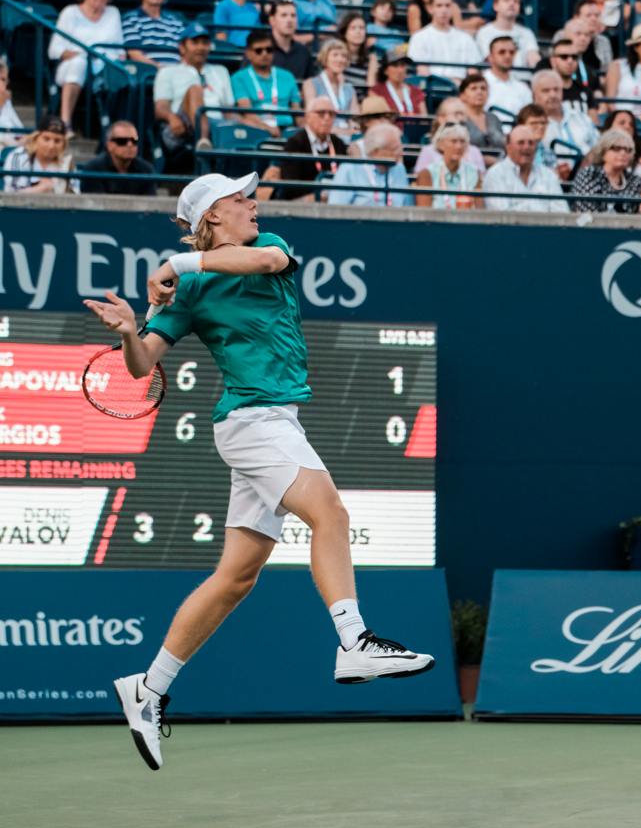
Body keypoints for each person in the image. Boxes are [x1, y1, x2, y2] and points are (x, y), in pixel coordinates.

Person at [86, 171, 434, 770]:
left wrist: (177, 264)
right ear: (212, 216)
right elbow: (143, 365)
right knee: (331, 513)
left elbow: (267, 260)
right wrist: (127, 334)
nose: (254, 204)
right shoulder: (190, 292)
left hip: (272, 422)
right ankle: (354, 642)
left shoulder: (267, 248)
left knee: (236, 578)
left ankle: (148, 687)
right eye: (240, 199)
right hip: (253, 423)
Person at [48, 0, 125, 132]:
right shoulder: (70, 12)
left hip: (105, 68)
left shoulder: (113, 13)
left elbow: (120, 48)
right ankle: (65, 122)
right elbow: (54, 50)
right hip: (71, 66)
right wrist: (85, 57)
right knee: (79, 64)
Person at [153, 22, 234, 150]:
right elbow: (160, 107)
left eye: (205, 43)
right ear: (182, 47)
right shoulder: (167, 71)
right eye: (195, 43)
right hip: (182, 123)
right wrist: (172, 117)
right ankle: (203, 141)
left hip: (218, 122)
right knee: (195, 89)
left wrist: (257, 126)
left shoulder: (221, 71)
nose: (201, 47)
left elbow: (229, 110)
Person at [257, 95, 347, 201]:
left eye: (331, 114)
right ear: (308, 116)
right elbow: (290, 184)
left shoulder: (339, 144)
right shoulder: (295, 143)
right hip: (303, 201)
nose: (327, 118)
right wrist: (318, 193)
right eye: (321, 113)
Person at [483, 124, 568, 213]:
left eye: (531, 143)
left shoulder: (549, 175)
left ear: (535, 149)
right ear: (509, 148)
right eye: (521, 142)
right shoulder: (495, 175)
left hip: (546, 226)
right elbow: (501, 214)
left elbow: (561, 212)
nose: (527, 147)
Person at [232, 29, 300, 136]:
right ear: (248, 54)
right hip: (256, 129)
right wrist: (266, 128)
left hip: (287, 129)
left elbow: (297, 112)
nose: (264, 54)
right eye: (259, 50)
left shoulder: (287, 76)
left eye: (269, 50)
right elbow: (247, 112)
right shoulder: (239, 78)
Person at [572, 127, 641, 212]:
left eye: (628, 150)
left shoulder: (635, 180)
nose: (623, 153)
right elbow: (587, 211)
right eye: (617, 148)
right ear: (603, 152)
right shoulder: (589, 174)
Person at [328, 121, 413, 206]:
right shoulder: (349, 169)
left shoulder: (399, 169)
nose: (400, 154)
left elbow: (408, 208)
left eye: (400, 149)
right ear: (375, 152)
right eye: (395, 150)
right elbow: (335, 209)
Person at [408, 0, 482, 81]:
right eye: (439, 5)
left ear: (452, 8)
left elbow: (473, 71)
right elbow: (422, 70)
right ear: (430, 8)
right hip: (434, 86)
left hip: (462, 87)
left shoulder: (466, 38)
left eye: (447, 5)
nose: (444, 10)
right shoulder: (419, 37)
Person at [533, 68, 600, 158]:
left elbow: (597, 148)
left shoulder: (581, 117)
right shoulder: (530, 122)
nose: (552, 95)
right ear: (534, 95)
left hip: (585, 169)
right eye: (546, 90)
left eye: (556, 89)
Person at [414, 95, 486, 177]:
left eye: (462, 114)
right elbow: (420, 181)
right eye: (456, 114)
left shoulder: (475, 152)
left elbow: (480, 181)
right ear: (441, 119)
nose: (460, 118)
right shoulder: (428, 151)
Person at [122, 0, 183, 66]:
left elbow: (185, 50)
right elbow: (134, 52)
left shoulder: (174, 21)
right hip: (148, 74)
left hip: (178, 72)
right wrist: (158, 67)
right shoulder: (131, 19)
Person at [80, 120, 157, 196]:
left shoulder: (147, 170)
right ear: (109, 145)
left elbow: (150, 204)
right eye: (122, 141)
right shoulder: (93, 169)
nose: (130, 145)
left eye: (134, 141)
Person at [415, 123, 482, 208]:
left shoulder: (474, 172)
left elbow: (479, 210)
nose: (459, 146)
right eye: (453, 141)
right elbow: (423, 212)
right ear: (440, 144)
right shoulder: (427, 174)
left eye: (462, 141)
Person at [2, 116, 75, 194]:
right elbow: (10, 195)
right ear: (36, 138)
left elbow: (75, 196)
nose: (51, 146)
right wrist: (41, 188)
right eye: (46, 139)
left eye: (57, 141)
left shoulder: (68, 162)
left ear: (64, 143)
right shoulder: (18, 156)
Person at [303, 39, 357, 138]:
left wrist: (353, 125)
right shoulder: (311, 84)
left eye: (343, 56)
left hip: (347, 137)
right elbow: (311, 120)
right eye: (335, 55)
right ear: (325, 57)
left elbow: (356, 118)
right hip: (323, 135)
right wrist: (340, 132)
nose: (340, 59)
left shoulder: (349, 89)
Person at [474, 0, 539, 68]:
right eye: (506, 0)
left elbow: (534, 60)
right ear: (495, 6)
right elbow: (490, 60)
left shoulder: (526, 33)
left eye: (516, 1)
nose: (512, 4)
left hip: (524, 79)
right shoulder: (484, 32)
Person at [545, 37, 599, 123]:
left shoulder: (585, 91)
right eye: (564, 57)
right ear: (553, 61)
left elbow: (594, 123)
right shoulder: (545, 91)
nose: (570, 61)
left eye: (574, 57)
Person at [369, 48, 427, 127]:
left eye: (402, 65)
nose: (399, 70)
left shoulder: (416, 91)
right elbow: (376, 121)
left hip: (414, 135)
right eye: (395, 65)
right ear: (385, 70)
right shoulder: (376, 91)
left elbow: (424, 120)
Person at [458, 72, 506, 166]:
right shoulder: (459, 118)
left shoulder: (494, 118)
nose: (479, 92)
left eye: (483, 88)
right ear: (462, 95)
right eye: (474, 88)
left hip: (498, 166)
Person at [483, 36, 534, 120]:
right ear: (490, 57)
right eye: (502, 52)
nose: (507, 56)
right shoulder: (478, 85)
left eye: (512, 52)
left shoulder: (523, 88)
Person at [269, 0, 318, 81]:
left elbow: (311, 83)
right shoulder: (260, 49)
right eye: (284, 15)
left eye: (293, 15)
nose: (289, 20)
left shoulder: (304, 52)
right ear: (272, 20)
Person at [516, 101, 563, 175]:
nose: (540, 127)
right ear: (521, 125)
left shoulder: (548, 152)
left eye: (543, 123)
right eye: (534, 123)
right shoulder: (512, 149)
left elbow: (555, 176)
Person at [573, 0, 613, 77]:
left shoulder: (603, 41)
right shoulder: (563, 36)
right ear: (576, 17)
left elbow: (608, 70)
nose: (593, 19)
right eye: (588, 15)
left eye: (597, 15)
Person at [337, 12, 378, 89]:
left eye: (361, 28)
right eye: (353, 28)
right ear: (344, 32)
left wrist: (372, 71)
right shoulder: (336, 56)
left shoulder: (371, 58)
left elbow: (371, 89)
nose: (358, 32)